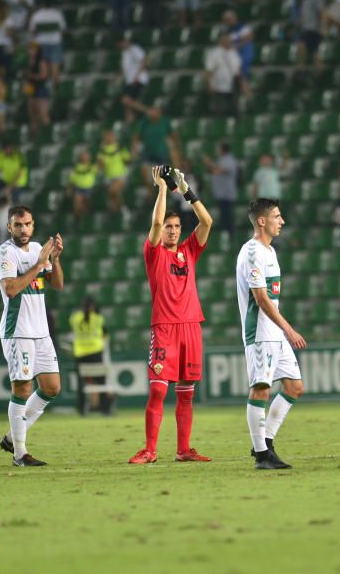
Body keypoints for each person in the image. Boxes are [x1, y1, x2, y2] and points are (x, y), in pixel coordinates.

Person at [130, 165, 214, 464]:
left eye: (176, 227)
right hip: (165, 327)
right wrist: (164, 189)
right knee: (157, 392)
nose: (173, 230)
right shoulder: (154, 253)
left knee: (186, 393)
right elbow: (154, 223)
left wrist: (186, 190)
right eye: (169, 227)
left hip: (191, 325)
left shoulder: (190, 250)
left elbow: (207, 220)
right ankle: (150, 450)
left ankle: (183, 449)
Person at [238, 198, 307, 469]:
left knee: (294, 387)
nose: (283, 221)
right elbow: (262, 299)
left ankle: (264, 442)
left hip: (275, 334)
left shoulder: (270, 251)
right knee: (261, 389)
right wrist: (288, 329)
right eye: (277, 216)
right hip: (261, 333)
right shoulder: (252, 252)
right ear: (262, 221)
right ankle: (262, 455)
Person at [0, 205, 64, 467]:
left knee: (51, 387)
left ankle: (13, 437)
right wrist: (38, 264)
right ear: (9, 227)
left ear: (33, 225)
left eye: (28, 224)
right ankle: (20, 453)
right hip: (17, 331)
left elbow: (57, 285)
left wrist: (54, 259)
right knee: (22, 389)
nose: (24, 229)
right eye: (18, 225)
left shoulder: (37, 249)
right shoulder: (5, 254)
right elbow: (11, 289)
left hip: (41, 332)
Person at [70, 297, 112, 415]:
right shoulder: (98, 318)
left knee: (81, 384)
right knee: (101, 382)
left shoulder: (75, 318)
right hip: (95, 352)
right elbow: (105, 334)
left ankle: (81, 409)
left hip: (80, 354)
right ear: (93, 306)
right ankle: (105, 409)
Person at [202, 142, 239, 237]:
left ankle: (231, 237)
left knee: (228, 217)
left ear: (222, 149)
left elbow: (222, 171)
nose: (216, 151)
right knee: (223, 217)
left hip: (227, 193)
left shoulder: (229, 160)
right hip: (220, 193)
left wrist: (209, 163)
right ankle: (225, 237)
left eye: (218, 148)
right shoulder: (221, 160)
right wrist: (209, 165)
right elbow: (213, 171)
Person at [28, 0, 66, 87]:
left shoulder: (37, 15)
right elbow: (63, 30)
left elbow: (32, 31)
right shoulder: (57, 14)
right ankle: (54, 89)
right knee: (55, 67)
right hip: (55, 42)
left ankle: (45, 91)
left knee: (44, 70)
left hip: (41, 43)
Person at [204, 33, 245, 117]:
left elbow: (238, 70)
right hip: (218, 85)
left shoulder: (234, 53)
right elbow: (208, 70)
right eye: (225, 40)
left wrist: (242, 84)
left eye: (229, 40)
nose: (228, 41)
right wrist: (210, 85)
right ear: (221, 41)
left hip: (233, 83)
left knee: (236, 109)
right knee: (219, 110)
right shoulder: (214, 53)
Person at [295, 0, 325, 79]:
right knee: (312, 51)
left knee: (309, 49)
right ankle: (314, 72)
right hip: (306, 29)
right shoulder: (303, 0)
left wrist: (323, 27)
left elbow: (321, 13)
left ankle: (306, 70)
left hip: (314, 29)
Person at [97, 130, 131, 215]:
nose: (109, 138)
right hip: (108, 178)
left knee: (112, 191)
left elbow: (128, 159)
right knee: (114, 196)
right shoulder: (102, 151)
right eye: (107, 137)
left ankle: (122, 210)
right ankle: (121, 210)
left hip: (121, 176)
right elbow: (100, 166)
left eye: (111, 136)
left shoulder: (119, 147)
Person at [118, 34, 149, 123]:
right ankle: (130, 123)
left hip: (138, 80)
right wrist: (117, 76)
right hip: (130, 82)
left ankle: (149, 112)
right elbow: (125, 67)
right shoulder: (124, 53)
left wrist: (138, 76)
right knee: (128, 106)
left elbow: (145, 60)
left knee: (126, 100)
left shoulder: (134, 49)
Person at [25, 41, 51, 136]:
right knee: (32, 115)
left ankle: (48, 135)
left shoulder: (41, 61)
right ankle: (35, 136)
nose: (31, 51)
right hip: (31, 89)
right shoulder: (29, 61)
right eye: (30, 49)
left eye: (33, 49)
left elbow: (44, 76)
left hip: (40, 89)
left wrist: (31, 76)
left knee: (43, 114)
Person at [68, 149, 98, 223]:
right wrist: (69, 189)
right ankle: (78, 221)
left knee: (87, 204)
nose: (85, 157)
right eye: (83, 155)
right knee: (77, 207)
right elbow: (72, 180)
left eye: (87, 155)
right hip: (79, 189)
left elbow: (99, 170)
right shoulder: (76, 168)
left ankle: (87, 220)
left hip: (90, 189)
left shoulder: (92, 166)